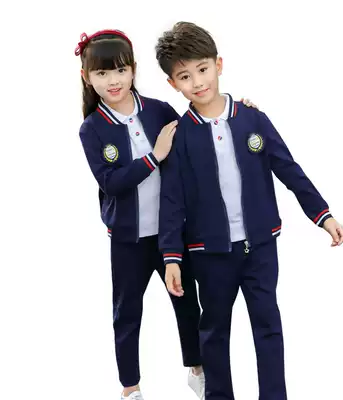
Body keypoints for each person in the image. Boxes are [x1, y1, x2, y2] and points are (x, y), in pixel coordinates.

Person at [155, 22, 343, 400]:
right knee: (214, 331)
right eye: (185, 76)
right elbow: (172, 200)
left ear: (219, 64)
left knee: (268, 326)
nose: (198, 82)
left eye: (203, 69)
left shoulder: (253, 118)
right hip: (209, 252)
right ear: (173, 84)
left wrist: (322, 215)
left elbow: (288, 168)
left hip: (260, 246)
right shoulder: (180, 135)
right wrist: (171, 257)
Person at [75, 28, 258, 400]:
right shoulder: (92, 129)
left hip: (171, 234)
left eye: (121, 70)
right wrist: (153, 156)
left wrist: (239, 116)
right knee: (128, 312)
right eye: (102, 73)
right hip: (127, 239)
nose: (113, 80)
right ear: (87, 77)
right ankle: (131, 387)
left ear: (133, 69)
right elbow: (111, 182)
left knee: (187, 303)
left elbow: (198, 132)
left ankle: (197, 369)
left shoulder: (159, 110)